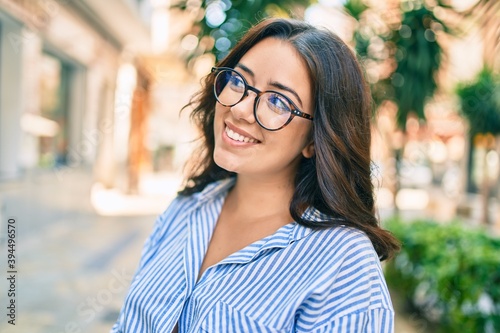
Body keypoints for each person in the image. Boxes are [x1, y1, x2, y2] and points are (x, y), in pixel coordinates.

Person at [111, 17, 400, 333]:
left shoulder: (343, 263)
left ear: (315, 141)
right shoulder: (188, 207)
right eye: (238, 81)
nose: (239, 109)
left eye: (278, 101)